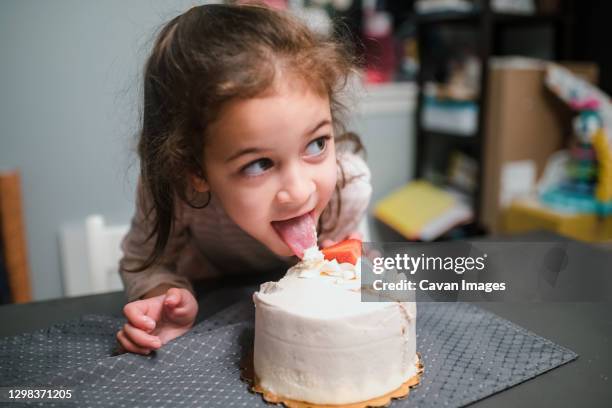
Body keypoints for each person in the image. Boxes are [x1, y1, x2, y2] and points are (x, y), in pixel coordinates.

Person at [117, 3, 372, 355]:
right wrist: (162, 298)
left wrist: (359, 273)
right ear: (195, 170)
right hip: (214, 298)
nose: (299, 191)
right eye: (258, 164)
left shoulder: (347, 186)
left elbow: (369, 283)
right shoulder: (174, 191)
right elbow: (142, 262)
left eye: (316, 144)